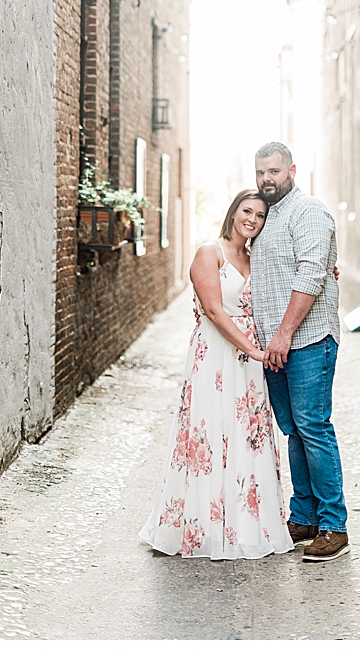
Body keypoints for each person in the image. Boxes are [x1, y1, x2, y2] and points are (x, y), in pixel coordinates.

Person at [139, 190, 294, 559]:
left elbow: (290, 282)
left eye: (259, 214)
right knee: (209, 432)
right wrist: (254, 350)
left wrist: (330, 269)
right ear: (233, 212)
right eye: (246, 211)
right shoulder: (210, 252)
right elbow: (213, 310)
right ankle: (202, 526)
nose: (252, 219)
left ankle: (246, 523)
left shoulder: (257, 257)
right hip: (217, 356)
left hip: (248, 364)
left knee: (246, 434)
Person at [250, 141, 347, 562]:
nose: (267, 179)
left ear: (291, 169)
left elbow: (311, 275)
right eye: (260, 173)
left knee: (313, 427)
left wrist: (284, 333)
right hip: (277, 346)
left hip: (306, 342)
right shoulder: (268, 215)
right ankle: (304, 516)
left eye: (273, 171)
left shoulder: (309, 212)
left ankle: (333, 526)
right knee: (294, 430)